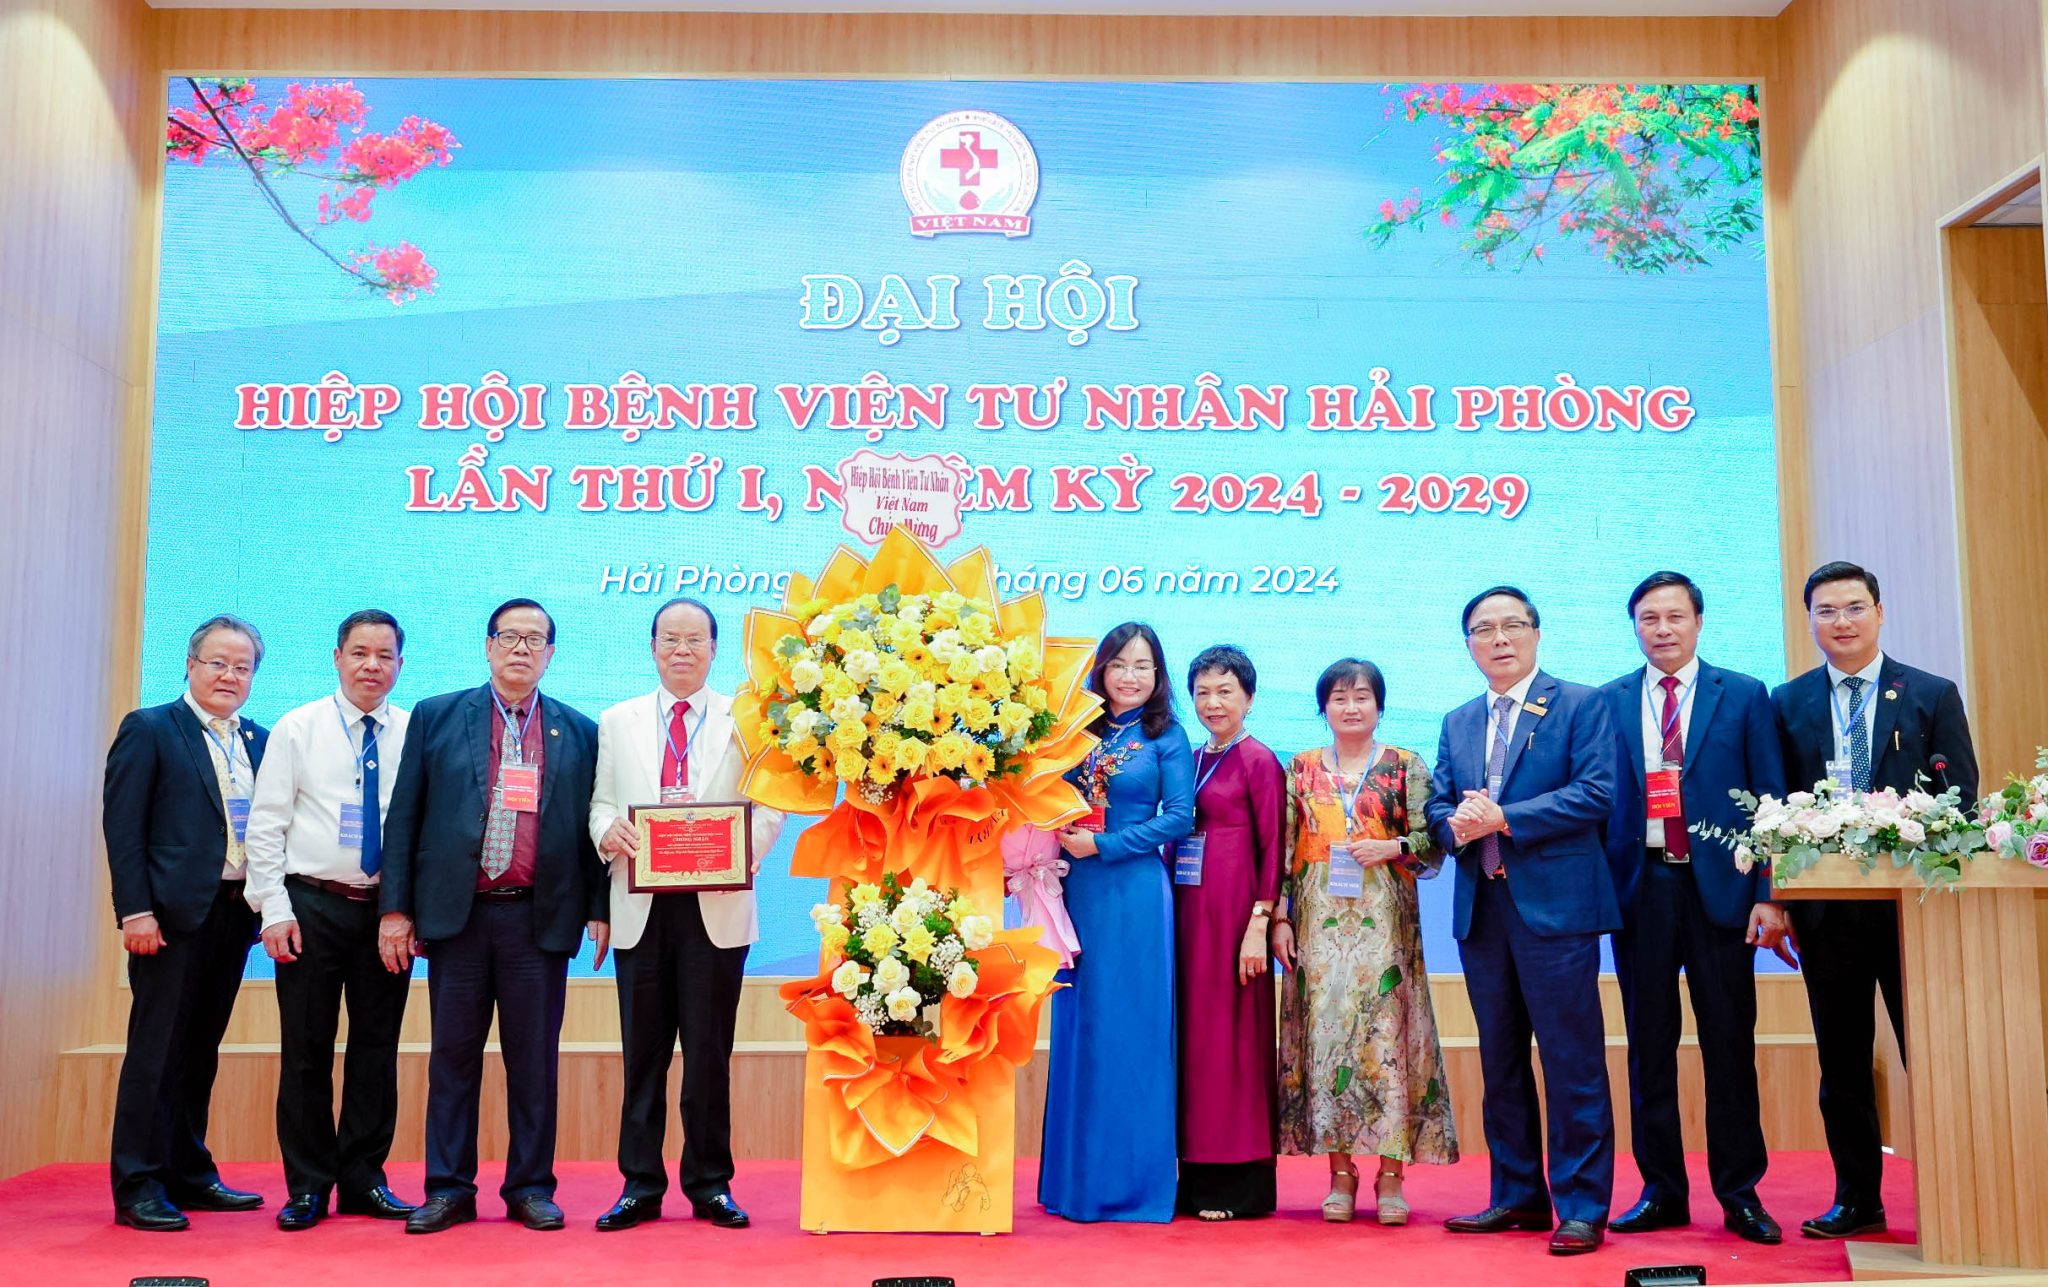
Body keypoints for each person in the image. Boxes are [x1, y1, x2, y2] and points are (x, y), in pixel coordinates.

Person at [379, 598, 607, 1234]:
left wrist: (598, 909)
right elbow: (404, 818)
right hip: (459, 919)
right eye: (509, 636)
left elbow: (590, 829)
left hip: (538, 920)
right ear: (487, 646)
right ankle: (448, 1188)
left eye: (535, 639)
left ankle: (530, 1187)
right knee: (452, 1059)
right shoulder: (437, 716)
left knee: (533, 1064)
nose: (521, 648)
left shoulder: (578, 730)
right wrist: (396, 909)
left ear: (551, 654)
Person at [1773, 561, 1978, 1240]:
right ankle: (1858, 1198)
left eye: (1855, 607)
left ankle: (1960, 1194)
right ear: (1811, 621)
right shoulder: (1787, 702)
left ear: (1880, 612)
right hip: (1827, 912)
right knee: (1843, 1063)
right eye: (1826, 611)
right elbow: (1774, 806)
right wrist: (1780, 899)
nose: (1842, 621)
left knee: (1933, 1051)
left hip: (1913, 911)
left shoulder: (1931, 694)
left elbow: (1963, 799)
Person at [1425, 585, 1619, 1256]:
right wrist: (1453, 823)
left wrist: (1505, 817)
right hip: (1484, 910)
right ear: (1469, 644)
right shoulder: (1457, 720)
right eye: (1484, 629)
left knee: (1571, 1060)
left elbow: (1596, 792)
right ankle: (1517, 1195)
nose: (1499, 638)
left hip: (1556, 910)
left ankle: (1583, 1205)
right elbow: (1437, 804)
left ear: (1536, 633)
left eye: (1512, 625)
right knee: (1500, 1059)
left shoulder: (1582, 704)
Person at [1598, 572, 1789, 1246]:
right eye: (1648, 618)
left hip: (1724, 894)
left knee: (1729, 1046)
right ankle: (1662, 1191)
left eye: (1675, 616)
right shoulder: (1610, 700)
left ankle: (1740, 1194)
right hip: (1642, 889)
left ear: (1699, 622)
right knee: (1648, 1049)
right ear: (1635, 627)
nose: (1662, 629)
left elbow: (1772, 801)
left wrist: (1770, 895)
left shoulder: (1744, 693)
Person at [587, 598, 785, 1232]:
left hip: (717, 909)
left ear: (713, 649)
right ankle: (639, 1186)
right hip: (640, 907)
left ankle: (710, 1184)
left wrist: (735, 853)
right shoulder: (616, 720)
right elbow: (599, 804)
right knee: (641, 1057)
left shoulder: (747, 719)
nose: (681, 649)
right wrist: (606, 832)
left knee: (708, 1056)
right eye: (670, 638)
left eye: (694, 639)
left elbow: (770, 806)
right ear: (652, 648)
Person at [243, 609, 417, 1231]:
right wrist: (273, 910)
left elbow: (421, 831)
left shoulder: (414, 732)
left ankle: (364, 1179)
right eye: (360, 653)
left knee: (377, 1050)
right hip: (309, 907)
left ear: (400, 665)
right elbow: (266, 825)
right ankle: (308, 1186)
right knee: (306, 1050)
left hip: (385, 916)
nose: (373, 666)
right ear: (338, 658)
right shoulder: (299, 727)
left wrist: (408, 911)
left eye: (385, 655)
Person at [1276, 658, 1457, 1227]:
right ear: (1323, 708)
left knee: (1387, 1044)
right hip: (1317, 931)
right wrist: (1279, 917)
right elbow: (1284, 851)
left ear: (1379, 706)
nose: (1350, 707)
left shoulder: (1406, 766)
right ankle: (1340, 1175)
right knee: (1328, 1045)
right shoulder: (1300, 768)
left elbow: (1436, 842)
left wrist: (1393, 846)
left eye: (1361, 697)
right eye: (1339, 698)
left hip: (1386, 932)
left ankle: (1391, 1177)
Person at [103, 615, 271, 1231]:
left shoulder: (259, 739)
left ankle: (188, 1173)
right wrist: (135, 911)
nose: (229, 676)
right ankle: (138, 1184)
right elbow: (124, 827)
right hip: (168, 920)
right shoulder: (150, 728)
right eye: (218, 663)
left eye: (243, 667)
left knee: (200, 1051)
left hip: (233, 915)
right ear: (191, 665)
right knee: (156, 1052)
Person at [1040, 622, 1194, 1223]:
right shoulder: (1074, 729)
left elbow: (1178, 818)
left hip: (1133, 892)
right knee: (1083, 1025)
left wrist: (1103, 846)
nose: (1130, 676)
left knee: (1132, 1027)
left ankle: (1133, 1186)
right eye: (1120, 664)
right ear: (1100, 669)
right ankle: (1075, 1184)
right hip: (1074, 892)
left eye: (1143, 666)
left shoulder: (1166, 735)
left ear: (1158, 676)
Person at [1172, 645, 1284, 1221]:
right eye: (1203, 693)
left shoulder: (1259, 760)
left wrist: (1259, 924)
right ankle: (1192, 1176)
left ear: (1249, 698)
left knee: (1233, 1041)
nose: (1213, 703)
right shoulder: (1191, 759)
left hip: (1236, 917)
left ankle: (1237, 1183)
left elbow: (1274, 847)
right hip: (1189, 916)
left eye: (1225, 692)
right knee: (1194, 1043)